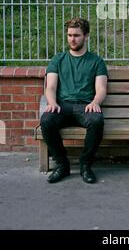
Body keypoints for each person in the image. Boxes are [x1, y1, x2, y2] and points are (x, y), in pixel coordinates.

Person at [40, 17, 108, 184]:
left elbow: (101, 89)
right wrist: (52, 102)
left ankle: (86, 165)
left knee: (97, 120)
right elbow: (50, 87)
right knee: (46, 120)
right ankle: (62, 165)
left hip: (85, 107)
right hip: (62, 106)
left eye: (76, 35)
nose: (72, 39)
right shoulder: (58, 60)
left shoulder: (96, 62)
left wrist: (95, 102)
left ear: (86, 36)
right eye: (69, 35)